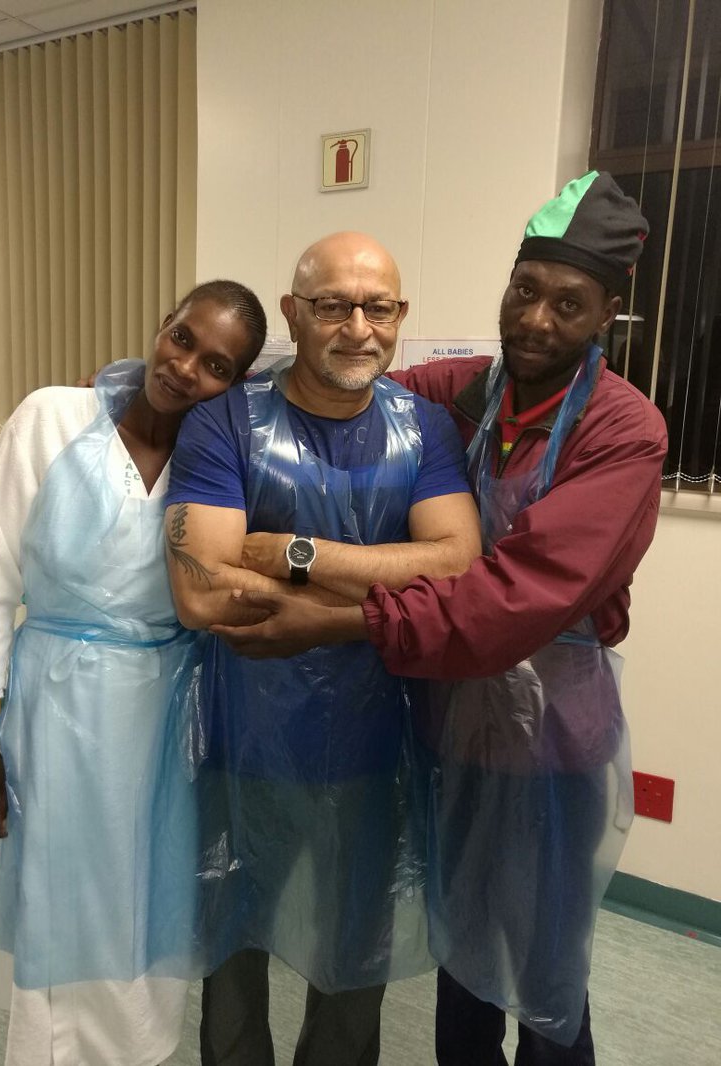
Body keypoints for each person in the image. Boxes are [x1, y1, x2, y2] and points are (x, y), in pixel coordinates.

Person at [210, 173, 668, 1065]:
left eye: (568, 304)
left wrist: (329, 614)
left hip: (548, 742)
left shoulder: (623, 430)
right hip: (450, 728)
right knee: (462, 963)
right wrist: (160, 399)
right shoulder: (461, 395)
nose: (536, 319)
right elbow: (332, 376)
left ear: (607, 315)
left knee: (543, 981)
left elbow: (512, 600)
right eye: (524, 290)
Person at [163, 231, 482, 1066]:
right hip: (242, 739)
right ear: (294, 313)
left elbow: (458, 565)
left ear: (401, 315)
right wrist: (390, 582)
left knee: (353, 967)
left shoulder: (426, 430)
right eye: (334, 305)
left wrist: (299, 557)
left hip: (377, 745)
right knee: (233, 948)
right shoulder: (224, 424)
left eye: (379, 307)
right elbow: (203, 590)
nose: (358, 328)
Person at [0, 280, 267, 1066]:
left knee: (148, 904)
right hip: (57, 706)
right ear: (162, 326)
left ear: (236, 384)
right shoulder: (53, 417)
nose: (186, 367)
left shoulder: (217, 464)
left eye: (217, 365)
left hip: (167, 720)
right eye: (183, 339)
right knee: (60, 905)